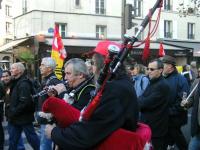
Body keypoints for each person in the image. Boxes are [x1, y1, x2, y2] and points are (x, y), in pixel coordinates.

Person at [44, 40, 139, 149]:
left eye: (93, 63)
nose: (91, 69)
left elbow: (90, 131)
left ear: (104, 63)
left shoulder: (114, 89)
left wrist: (54, 133)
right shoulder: (118, 84)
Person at [138, 59, 170, 150]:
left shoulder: (162, 85)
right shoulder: (153, 82)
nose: (148, 71)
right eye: (148, 69)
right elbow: (141, 98)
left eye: (152, 69)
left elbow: (143, 103)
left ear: (160, 70)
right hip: (149, 127)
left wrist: (141, 101)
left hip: (156, 130)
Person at [8, 62, 40, 150]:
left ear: (19, 71)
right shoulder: (16, 81)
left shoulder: (24, 83)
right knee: (13, 140)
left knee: (32, 138)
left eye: (13, 68)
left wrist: (13, 112)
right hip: (16, 117)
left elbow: (24, 102)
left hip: (23, 118)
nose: (10, 70)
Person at [162, 55, 189, 150]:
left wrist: (169, 112)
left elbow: (183, 100)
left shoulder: (181, 79)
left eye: (163, 65)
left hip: (175, 118)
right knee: (168, 138)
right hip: (165, 117)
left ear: (170, 66)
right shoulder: (163, 78)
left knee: (177, 138)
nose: (161, 67)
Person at [37, 57, 62, 150]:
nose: (40, 67)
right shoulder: (46, 80)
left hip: (49, 121)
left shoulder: (54, 81)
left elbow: (59, 103)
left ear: (50, 68)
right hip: (44, 119)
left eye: (42, 65)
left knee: (44, 146)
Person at [1, 70, 25, 150]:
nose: (5, 78)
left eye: (7, 76)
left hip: (15, 115)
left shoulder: (14, 84)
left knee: (17, 137)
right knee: (14, 136)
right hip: (10, 115)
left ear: (11, 76)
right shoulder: (5, 85)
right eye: (3, 76)